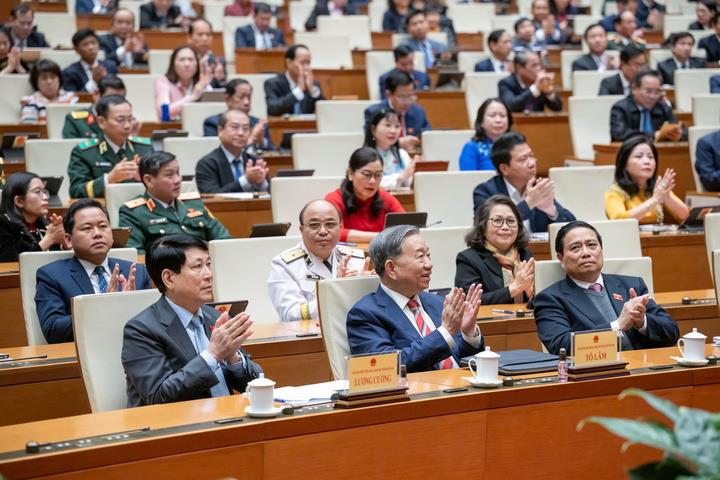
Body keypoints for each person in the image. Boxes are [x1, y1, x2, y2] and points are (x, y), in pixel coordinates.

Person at [122, 234, 262, 407]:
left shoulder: (216, 317)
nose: (209, 274)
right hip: (177, 422)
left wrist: (233, 357)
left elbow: (255, 383)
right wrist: (213, 355)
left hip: (227, 415)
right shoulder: (141, 330)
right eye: (198, 267)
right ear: (169, 278)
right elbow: (158, 397)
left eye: (208, 265)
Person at [347, 225, 485, 373]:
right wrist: (445, 332)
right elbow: (387, 367)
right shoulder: (365, 315)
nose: (429, 264)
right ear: (391, 268)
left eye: (428, 255)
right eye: (420, 257)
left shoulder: (439, 303)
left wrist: (469, 334)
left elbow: (465, 363)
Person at [533, 221, 679, 354]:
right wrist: (617, 326)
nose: (586, 253)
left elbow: (672, 332)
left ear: (601, 250)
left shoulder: (632, 285)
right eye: (575, 248)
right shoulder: (549, 299)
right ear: (561, 258)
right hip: (597, 371)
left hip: (644, 366)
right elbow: (561, 346)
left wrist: (642, 322)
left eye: (592, 245)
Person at [35, 199, 151, 344]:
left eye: (103, 226)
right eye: (87, 228)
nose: (97, 233)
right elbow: (53, 331)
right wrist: (102, 306)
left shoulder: (136, 272)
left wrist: (130, 306)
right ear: (69, 240)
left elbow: (154, 323)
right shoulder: (52, 275)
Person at [268, 200, 370, 322]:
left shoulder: (354, 257)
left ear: (340, 228)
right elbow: (291, 315)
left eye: (330, 224)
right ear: (301, 230)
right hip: (309, 332)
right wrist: (335, 289)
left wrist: (368, 286)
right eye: (314, 225)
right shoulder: (284, 265)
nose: (323, 231)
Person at [119, 152, 232, 254]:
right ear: (149, 180)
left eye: (178, 172)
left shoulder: (194, 203)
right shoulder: (133, 212)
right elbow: (136, 255)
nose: (178, 180)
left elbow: (224, 239)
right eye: (169, 175)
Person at [472, 132, 576, 233]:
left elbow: (572, 226)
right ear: (504, 169)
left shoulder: (537, 188)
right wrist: (529, 203)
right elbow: (486, 227)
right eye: (523, 159)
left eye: (531, 156)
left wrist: (552, 210)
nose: (532, 163)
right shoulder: (486, 192)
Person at [67, 95, 153, 198]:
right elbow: (76, 191)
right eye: (120, 120)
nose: (127, 126)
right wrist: (109, 179)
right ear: (101, 122)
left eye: (130, 119)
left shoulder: (144, 148)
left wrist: (144, 180)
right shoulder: (84, 152)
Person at [455, 195, 535, 305]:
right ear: (483, 227)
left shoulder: (525, 255)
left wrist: (532, 293)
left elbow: (541, 298)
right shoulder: (469, 259)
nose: (505, 227)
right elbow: (468, 301)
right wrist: (514, 288)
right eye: (497, 220)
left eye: (511, 221)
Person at [324, 147, 406, 242]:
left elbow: (406, 227)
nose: (372, 181)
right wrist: (382, 236)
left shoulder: (386, 199)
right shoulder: (334, 199)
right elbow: (335, 232)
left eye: (378, 175)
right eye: (366, 174)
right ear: (350, 174)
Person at [605, 135, 689, 224]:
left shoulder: (657, 189)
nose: (647, 161)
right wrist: (654, 200)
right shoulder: (615, 193)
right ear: (624, 164)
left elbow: (685, 215)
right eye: (639, 156)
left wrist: (668, 198)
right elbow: (618, 221)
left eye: (650, 157)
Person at [195, 110, 269, 193]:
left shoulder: (255, 162)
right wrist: (245, 180)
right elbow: (211, 196)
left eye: (245, 128)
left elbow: (270, 195)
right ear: (220, 131)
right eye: (235, 127)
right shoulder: (207, 164)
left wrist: (260, 184)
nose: (241, 133)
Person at [0, 172, 65, 262]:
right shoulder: (3, 225)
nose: (45, 197)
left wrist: (65, 245)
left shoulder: (44, 224)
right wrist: (48, 240)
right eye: (37, 191)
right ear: (19, 201)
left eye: (44, 191)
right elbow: (9, 264)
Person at [609, 70, 687, 142]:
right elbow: (619, 133)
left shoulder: (663, 108)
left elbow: (683, 131)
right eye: (648, 91)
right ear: (634, 89)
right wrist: (654, 135)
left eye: (657, 92)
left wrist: (680, 134)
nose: (652, 96)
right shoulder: (620, 108)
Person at [364, 70, 430, 152]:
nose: (406, 102)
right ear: (388, 94)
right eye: (401, 97)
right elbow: (370, 142)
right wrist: (397, 143)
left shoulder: (418, 111)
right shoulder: (374, 112)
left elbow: (428, 136)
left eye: (410, 96)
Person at [202, 78, 273, 151]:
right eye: (241, 97)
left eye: (249, 97)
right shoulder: (213, 123)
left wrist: (261, 142)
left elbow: (273, 153)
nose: (246, 102)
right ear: (227, 99)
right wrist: (250, 140)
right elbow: (218, 153)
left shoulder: (258, 124)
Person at [364, 107, 418, 189]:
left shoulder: (402, 154)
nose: (393, 131)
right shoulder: (365, 156)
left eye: (397, 126)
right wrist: (401, 177)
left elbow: (408, 181)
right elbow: (369, 182)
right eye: (387, 125)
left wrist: (416, 169)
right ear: (373, 129)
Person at [154, 45, 213, 120]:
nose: (187, 64)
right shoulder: (163, 82)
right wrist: (193, 97)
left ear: (197, 64)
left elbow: (212, 110)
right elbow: (164, 113)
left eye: (191, 59)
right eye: (182, 60)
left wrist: (205, 86)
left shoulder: (201, 82)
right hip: (172, 126)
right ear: (173, 64)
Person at [264, 44, 325, 116]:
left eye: (308, 63)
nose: (306, 67)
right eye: (302, 63)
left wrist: (312, 90)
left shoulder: (313, 85)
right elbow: (273, 109)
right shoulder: (273, 84)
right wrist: (299, 90)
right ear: (288, 62)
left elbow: (325, 111)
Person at [62, 76, 127, 139]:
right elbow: (70, 145)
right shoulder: (76, 121)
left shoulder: (126, 122)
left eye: (120, 99)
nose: (116, 104)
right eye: (110, 99)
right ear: (96, 94)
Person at [459, 98, 512, 171]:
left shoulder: (517, 146)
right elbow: (468, 177)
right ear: (481, 121)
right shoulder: (471, 147)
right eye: (492, 116)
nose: (498, 120)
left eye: (502, 116)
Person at [20, 59, 78, 124]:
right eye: (44, 78)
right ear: (36, 82)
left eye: (53, 77)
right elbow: (29, 128)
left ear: (59, 79)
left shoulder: (71, 98)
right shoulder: (31, 102)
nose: (49, 82)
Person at [62, 29, 118, 94]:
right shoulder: (69, 73)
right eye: (85, 44)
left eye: (93, 43)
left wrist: (106, 80)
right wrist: (93, 83)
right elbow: (73, 98)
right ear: (77, 49)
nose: (91, 47)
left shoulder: (110, 66)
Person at [186, 18, 226, 89]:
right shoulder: (184, 60)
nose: (205, 38)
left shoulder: (219, 61)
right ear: (189, 38)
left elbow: (221, 90)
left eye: (208, 35)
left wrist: (219, 80)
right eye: (200, 34)